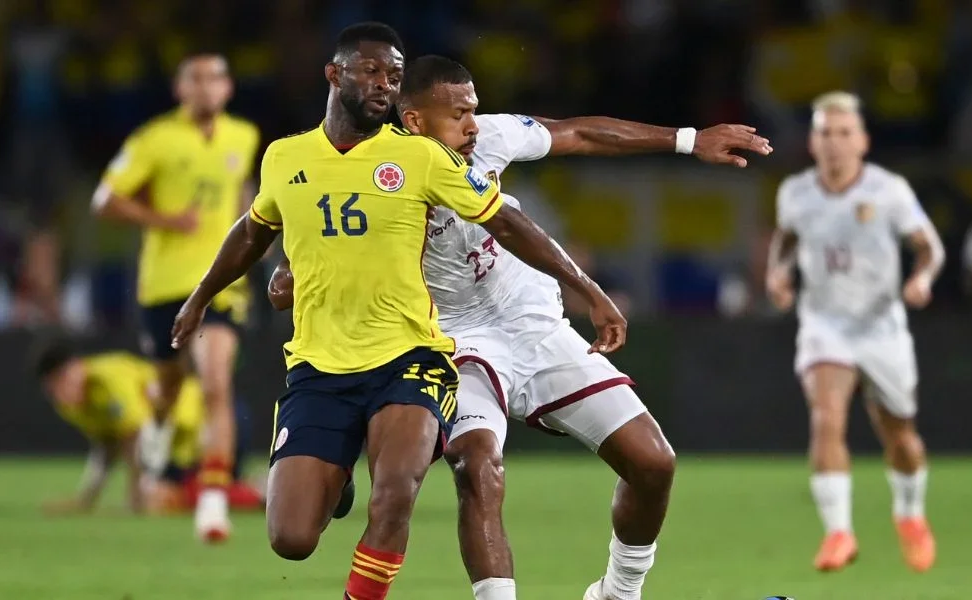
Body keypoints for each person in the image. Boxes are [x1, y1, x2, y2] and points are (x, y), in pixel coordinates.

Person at [267, 55, 772, 600]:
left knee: (653, 464)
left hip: (534, 324)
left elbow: (577, 133)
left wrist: (688, 140)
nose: (474, 125)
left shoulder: (488, 141)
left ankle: (618, 592)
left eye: (475, 110)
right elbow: (321, 233)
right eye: (459, 113)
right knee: (477, 463)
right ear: (415, 121)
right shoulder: (377, 171)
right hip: (453, 340)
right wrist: (290, 271)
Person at [170, 23, 626, 600]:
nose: (385, 83)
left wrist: (587, 288)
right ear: (334, 75)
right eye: (371, 70)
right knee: (291, 538)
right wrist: (201, 296)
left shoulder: (418, 157)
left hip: (409, 358)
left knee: (396, 493)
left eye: (394, 73)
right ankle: (334, 483)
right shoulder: (285, 157)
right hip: (320, 365)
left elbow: (505, 221)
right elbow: (254, 227)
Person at [765, 91, 944, 573]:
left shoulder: (889, 190)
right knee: (826, 416)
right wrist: (777, 275)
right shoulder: (795, 193)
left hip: (881, 327)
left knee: (900, 437)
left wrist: (921, 278)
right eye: (825, 132)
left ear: (862, 141)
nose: (835, 143)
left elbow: (930, 248)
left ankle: (910, 515)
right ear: (812, 140)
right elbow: (785, 241)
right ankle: (839, 532)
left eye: (845, 133)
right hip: (825, 325)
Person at [91, 53, 261, 541]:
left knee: (214, 383)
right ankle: (158, 430)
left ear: (228, 89)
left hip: (221, 287)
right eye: (197, 79)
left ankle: (212, 500)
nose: (208, 87)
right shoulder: (155, 139)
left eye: (216, 78)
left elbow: (243, 199)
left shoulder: (244, 137)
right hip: (163, 285)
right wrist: (164, 221)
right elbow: (104, 200)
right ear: (180, 89)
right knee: (168, 387)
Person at [32, 341, 264, 516]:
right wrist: (86, 500)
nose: (62, 391)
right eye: (53, 388)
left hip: (215, 423)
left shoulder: (110, 377)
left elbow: (136, 435)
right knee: (165, 499)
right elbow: (107, 446)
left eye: (63, 379)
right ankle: (257, 489)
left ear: (77, 366)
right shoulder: (70, 405)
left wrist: (135, 497)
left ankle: (263, 492)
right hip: (176, 448)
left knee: (171, 499)